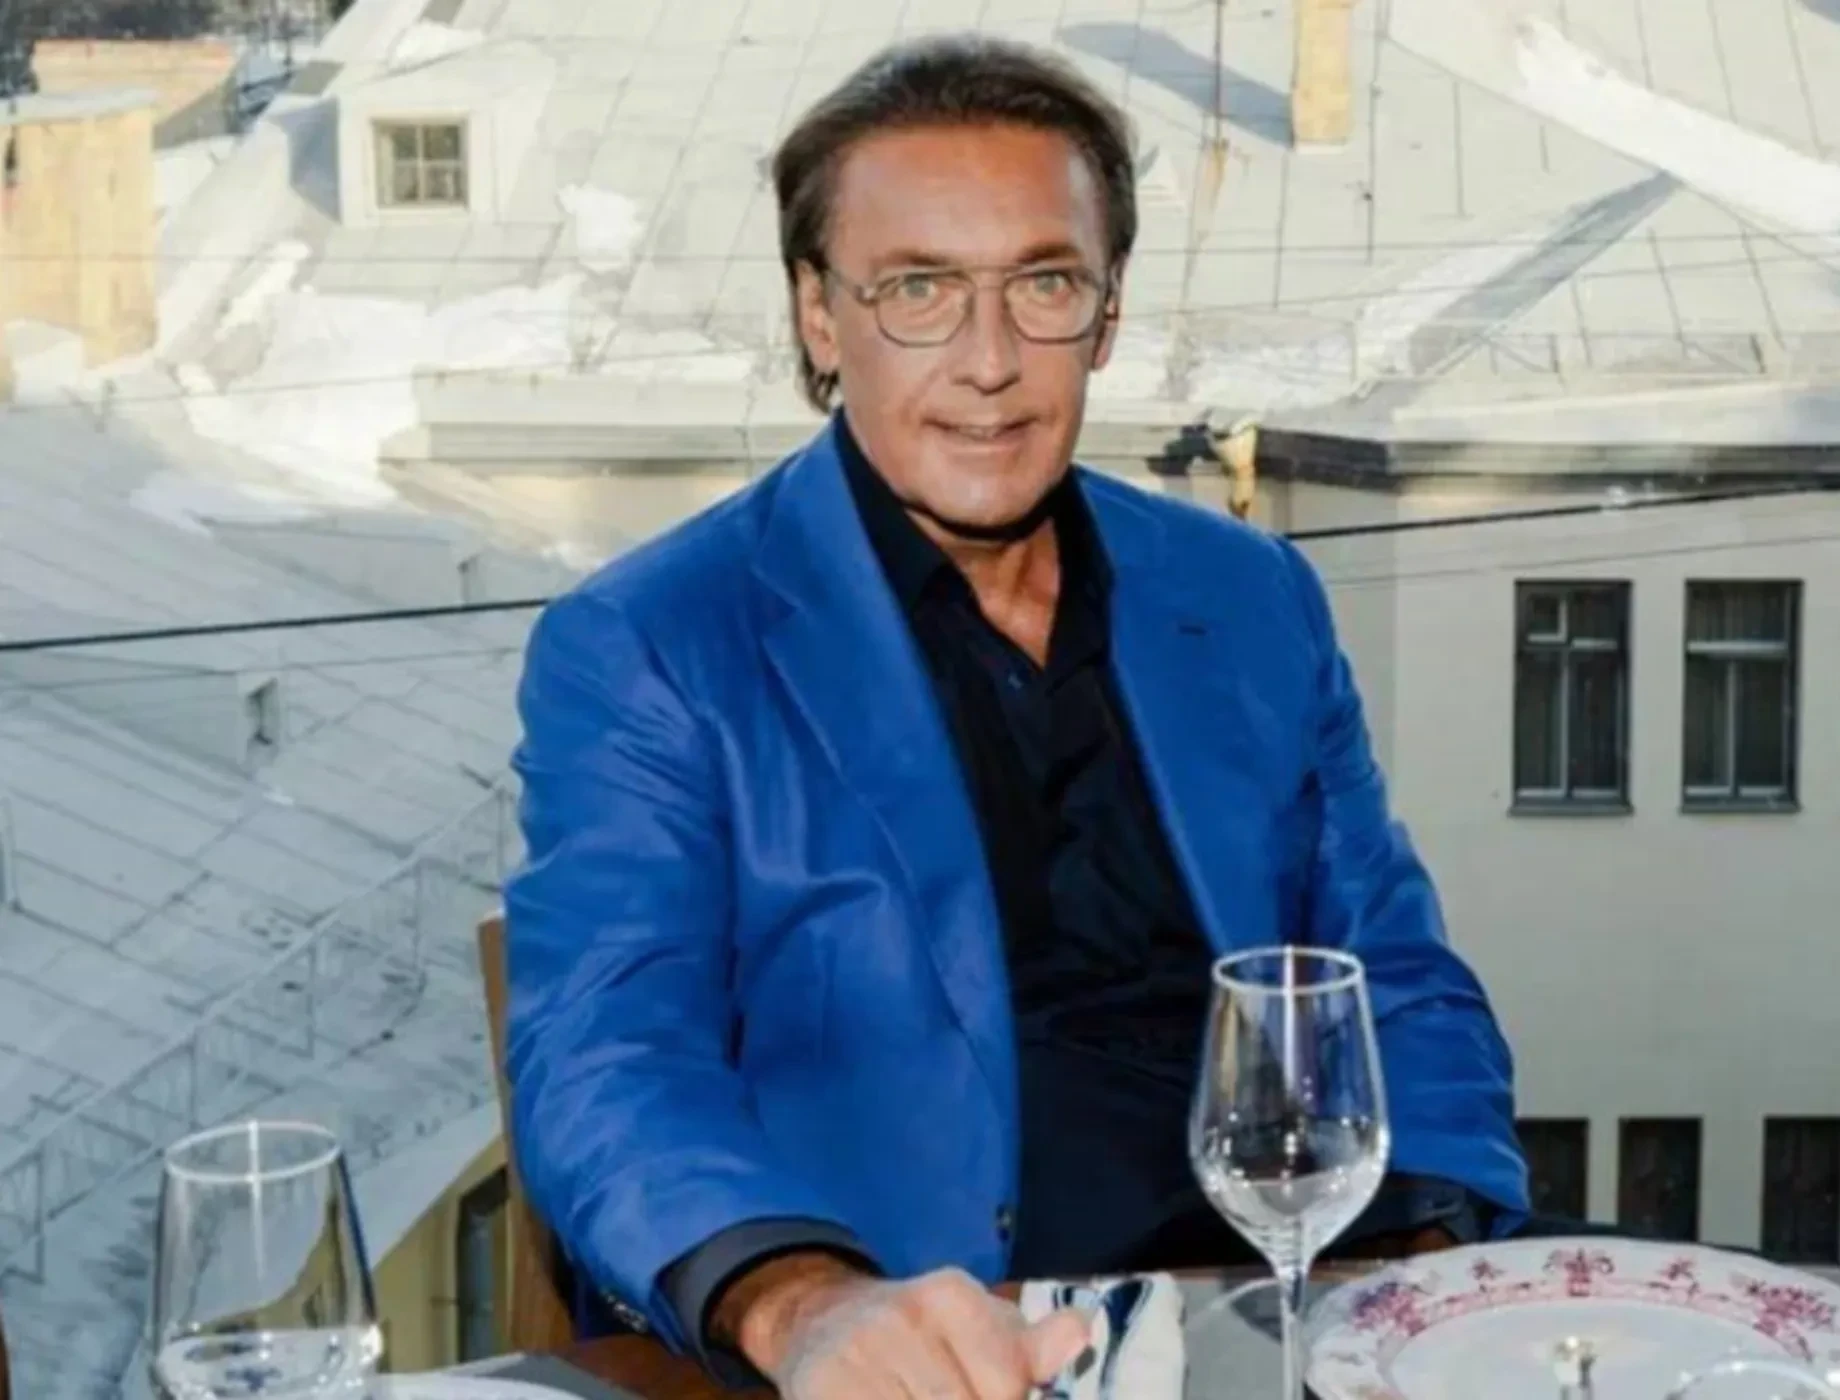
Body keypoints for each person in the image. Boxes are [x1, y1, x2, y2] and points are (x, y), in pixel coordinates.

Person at [504, 34, 1528, 1400]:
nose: (988, 362)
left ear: (1106, 313)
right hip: (918, 1339)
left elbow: (1394, 980)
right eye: (919, 290)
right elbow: (606, 1059)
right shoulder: (655, 641)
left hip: (1268, 1317)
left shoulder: (1248, 597)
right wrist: (800, 1302)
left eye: (1042, 284)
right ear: (820, 316)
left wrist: (1422, 1265)